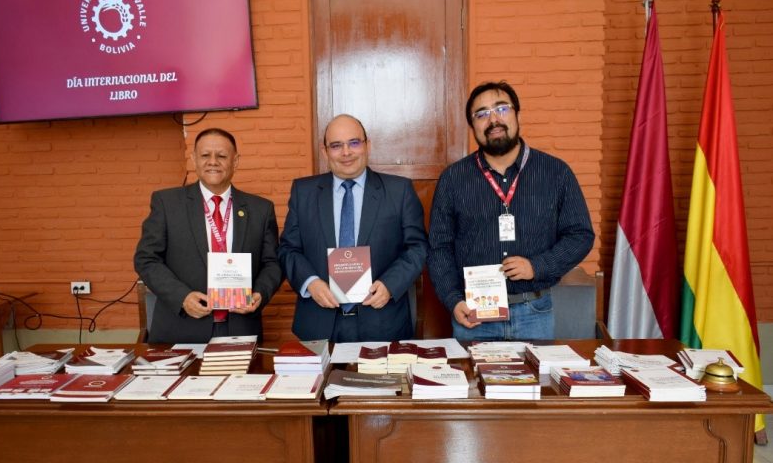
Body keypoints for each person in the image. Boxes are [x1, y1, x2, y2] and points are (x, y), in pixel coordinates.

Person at [428, 81, 594, 340]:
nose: (493, 119)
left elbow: (581, 235)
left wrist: (537, 266)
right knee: (473, 382)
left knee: (536, 381)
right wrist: (452, 300)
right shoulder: (453, 179)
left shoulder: (555, 172)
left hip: (534, 311)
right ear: (473, 127)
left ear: (518, 115)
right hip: (474, 315)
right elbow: (439, 247)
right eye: (481, 114)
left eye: (501, 108)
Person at [278, 114, 429, 342]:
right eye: (336, 146)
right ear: (324, 151)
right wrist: (311, 282)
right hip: (319, 323)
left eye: (354, 143)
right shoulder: (304, 192)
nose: (346, 152)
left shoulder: (399, 191)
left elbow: (418, 248)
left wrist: (390, 284)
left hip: (382, 322)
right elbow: (288, 249)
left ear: (368, 146)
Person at [134, 128, 282, 343]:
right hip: (181, 327)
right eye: (205, 155)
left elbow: (273, 263)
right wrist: (182, 298)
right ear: (194, 159)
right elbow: (146, 259)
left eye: (221, 156)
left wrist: (260, 292)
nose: (213, 162)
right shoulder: (167, 203)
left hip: (240, 328)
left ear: (235, 161)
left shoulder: (261, 209)